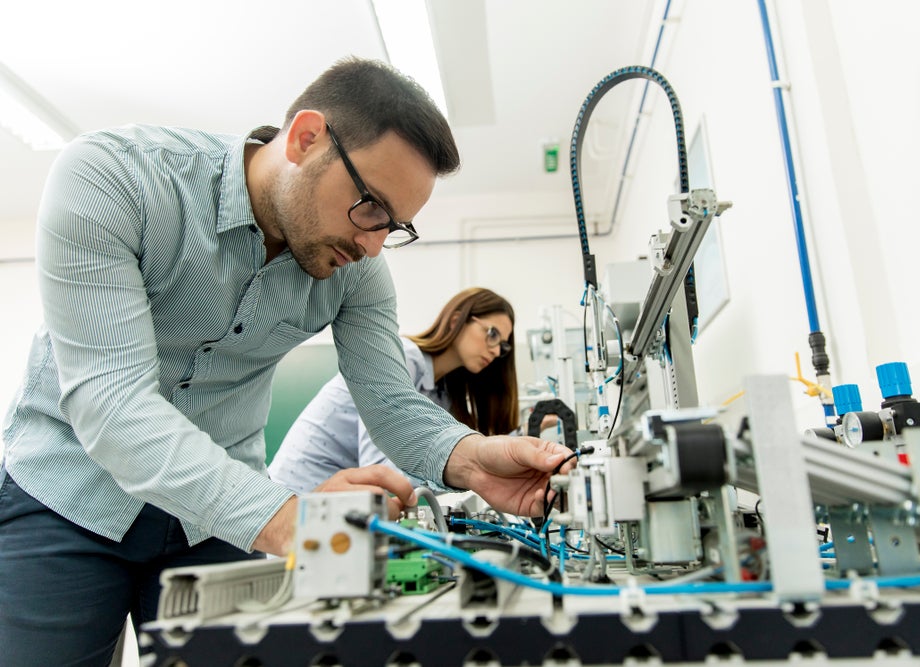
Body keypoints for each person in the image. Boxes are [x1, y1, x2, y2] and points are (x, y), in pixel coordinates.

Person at [0, 57, 573, 665]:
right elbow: (113, 407)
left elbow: (389, 401)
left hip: (211, 525)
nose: (373, 244)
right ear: (305, 139)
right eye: (371, 206)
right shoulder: (116, 178)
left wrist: (470, 460)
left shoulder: (358, 268)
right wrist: (290, 520)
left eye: (395, 226)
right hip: (65, 499)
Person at [270, 287, 522, 494]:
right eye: (492, 334)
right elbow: (380, 468)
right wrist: (462, 474)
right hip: (300, 493)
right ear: (457, 320)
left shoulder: (441, 393)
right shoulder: (403, 358)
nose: (496, 351)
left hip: (339, 503)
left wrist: (525, 435)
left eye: (503, 346)